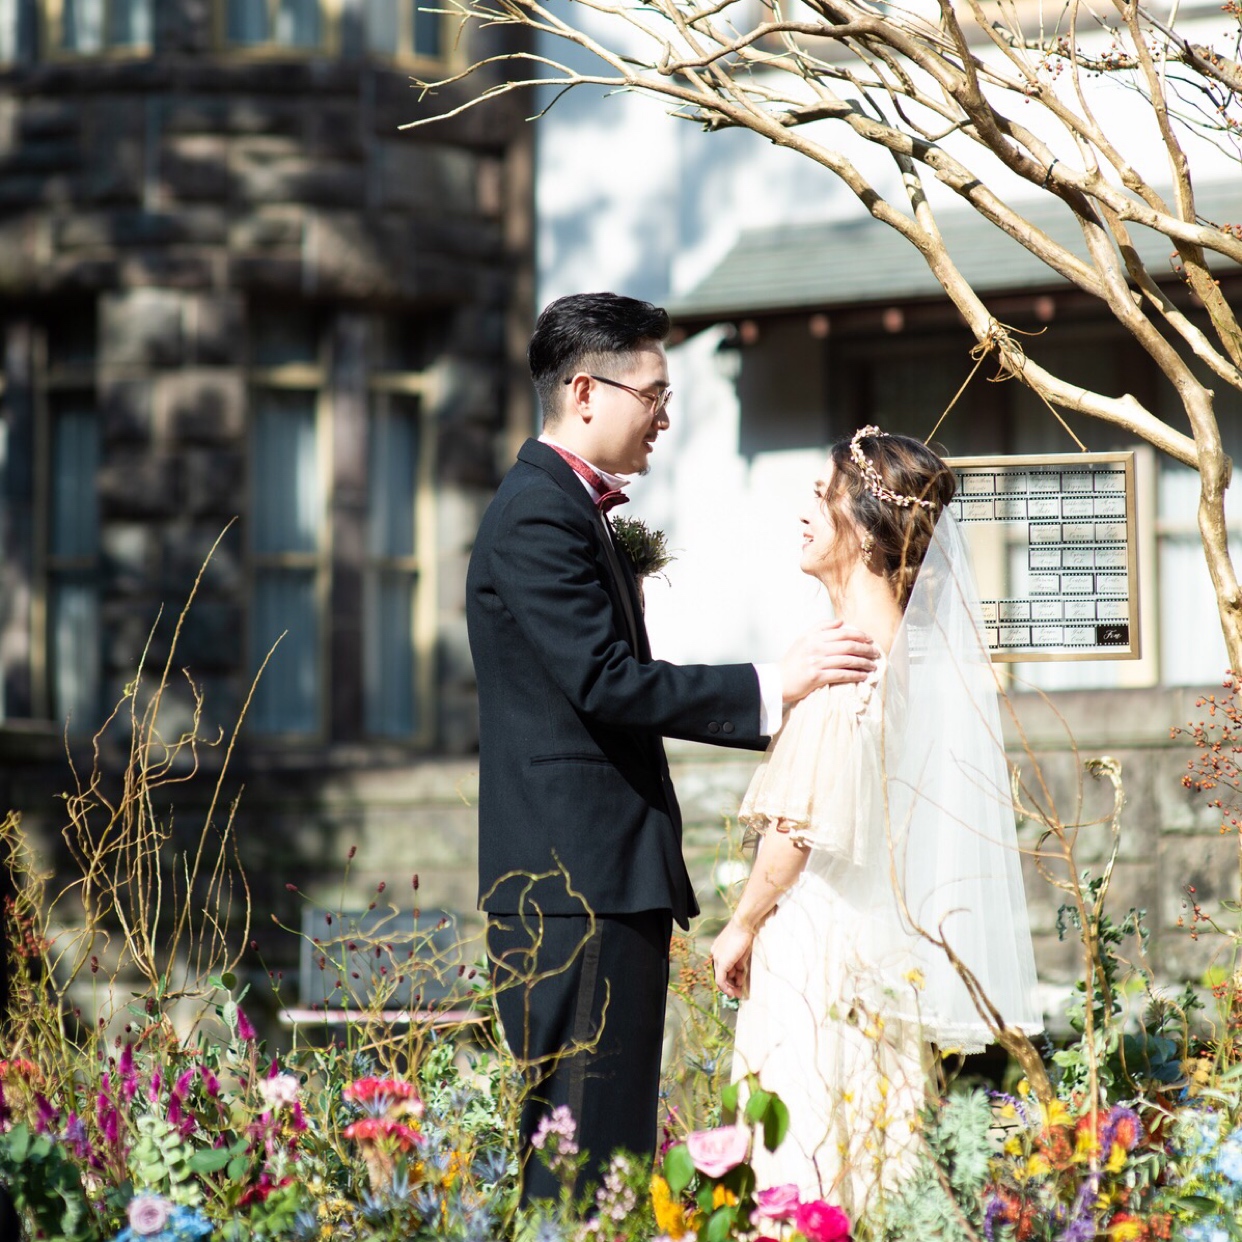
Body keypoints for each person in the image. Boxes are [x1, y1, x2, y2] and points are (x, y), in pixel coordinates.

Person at [465, 292, 881, 1202]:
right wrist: (777, 683)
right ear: (585, 391)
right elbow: (607, 682)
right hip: (576, 888)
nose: (665, 415)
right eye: (653, 394)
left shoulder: (569, 511)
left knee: (599, 1150)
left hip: (597, 881)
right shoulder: (540, 516)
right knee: (582, 1159)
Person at [712, 427, 1042, 1213]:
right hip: (877, 946)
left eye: (819, 499)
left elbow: (796, 831)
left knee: (800, 1142)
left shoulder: (844, 661)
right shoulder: (910, 657)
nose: (802, 516)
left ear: (859, 526)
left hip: (815, 945)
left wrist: (743, 923)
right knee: (864, 1149)